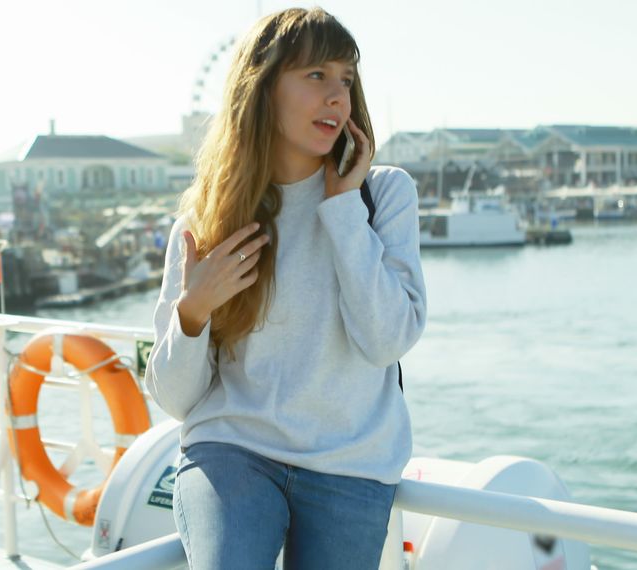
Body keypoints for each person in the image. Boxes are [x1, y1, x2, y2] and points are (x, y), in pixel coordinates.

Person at [144, 7, 427, 569]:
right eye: (316, 75)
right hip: (233, 453)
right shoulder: (206, 222)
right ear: (263, 87)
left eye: (346, 79)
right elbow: (176, 399)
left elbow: (387, 341)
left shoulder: (385, 196)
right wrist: (194, 310)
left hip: (352, 464)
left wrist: (344, 209)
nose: (337, 96)